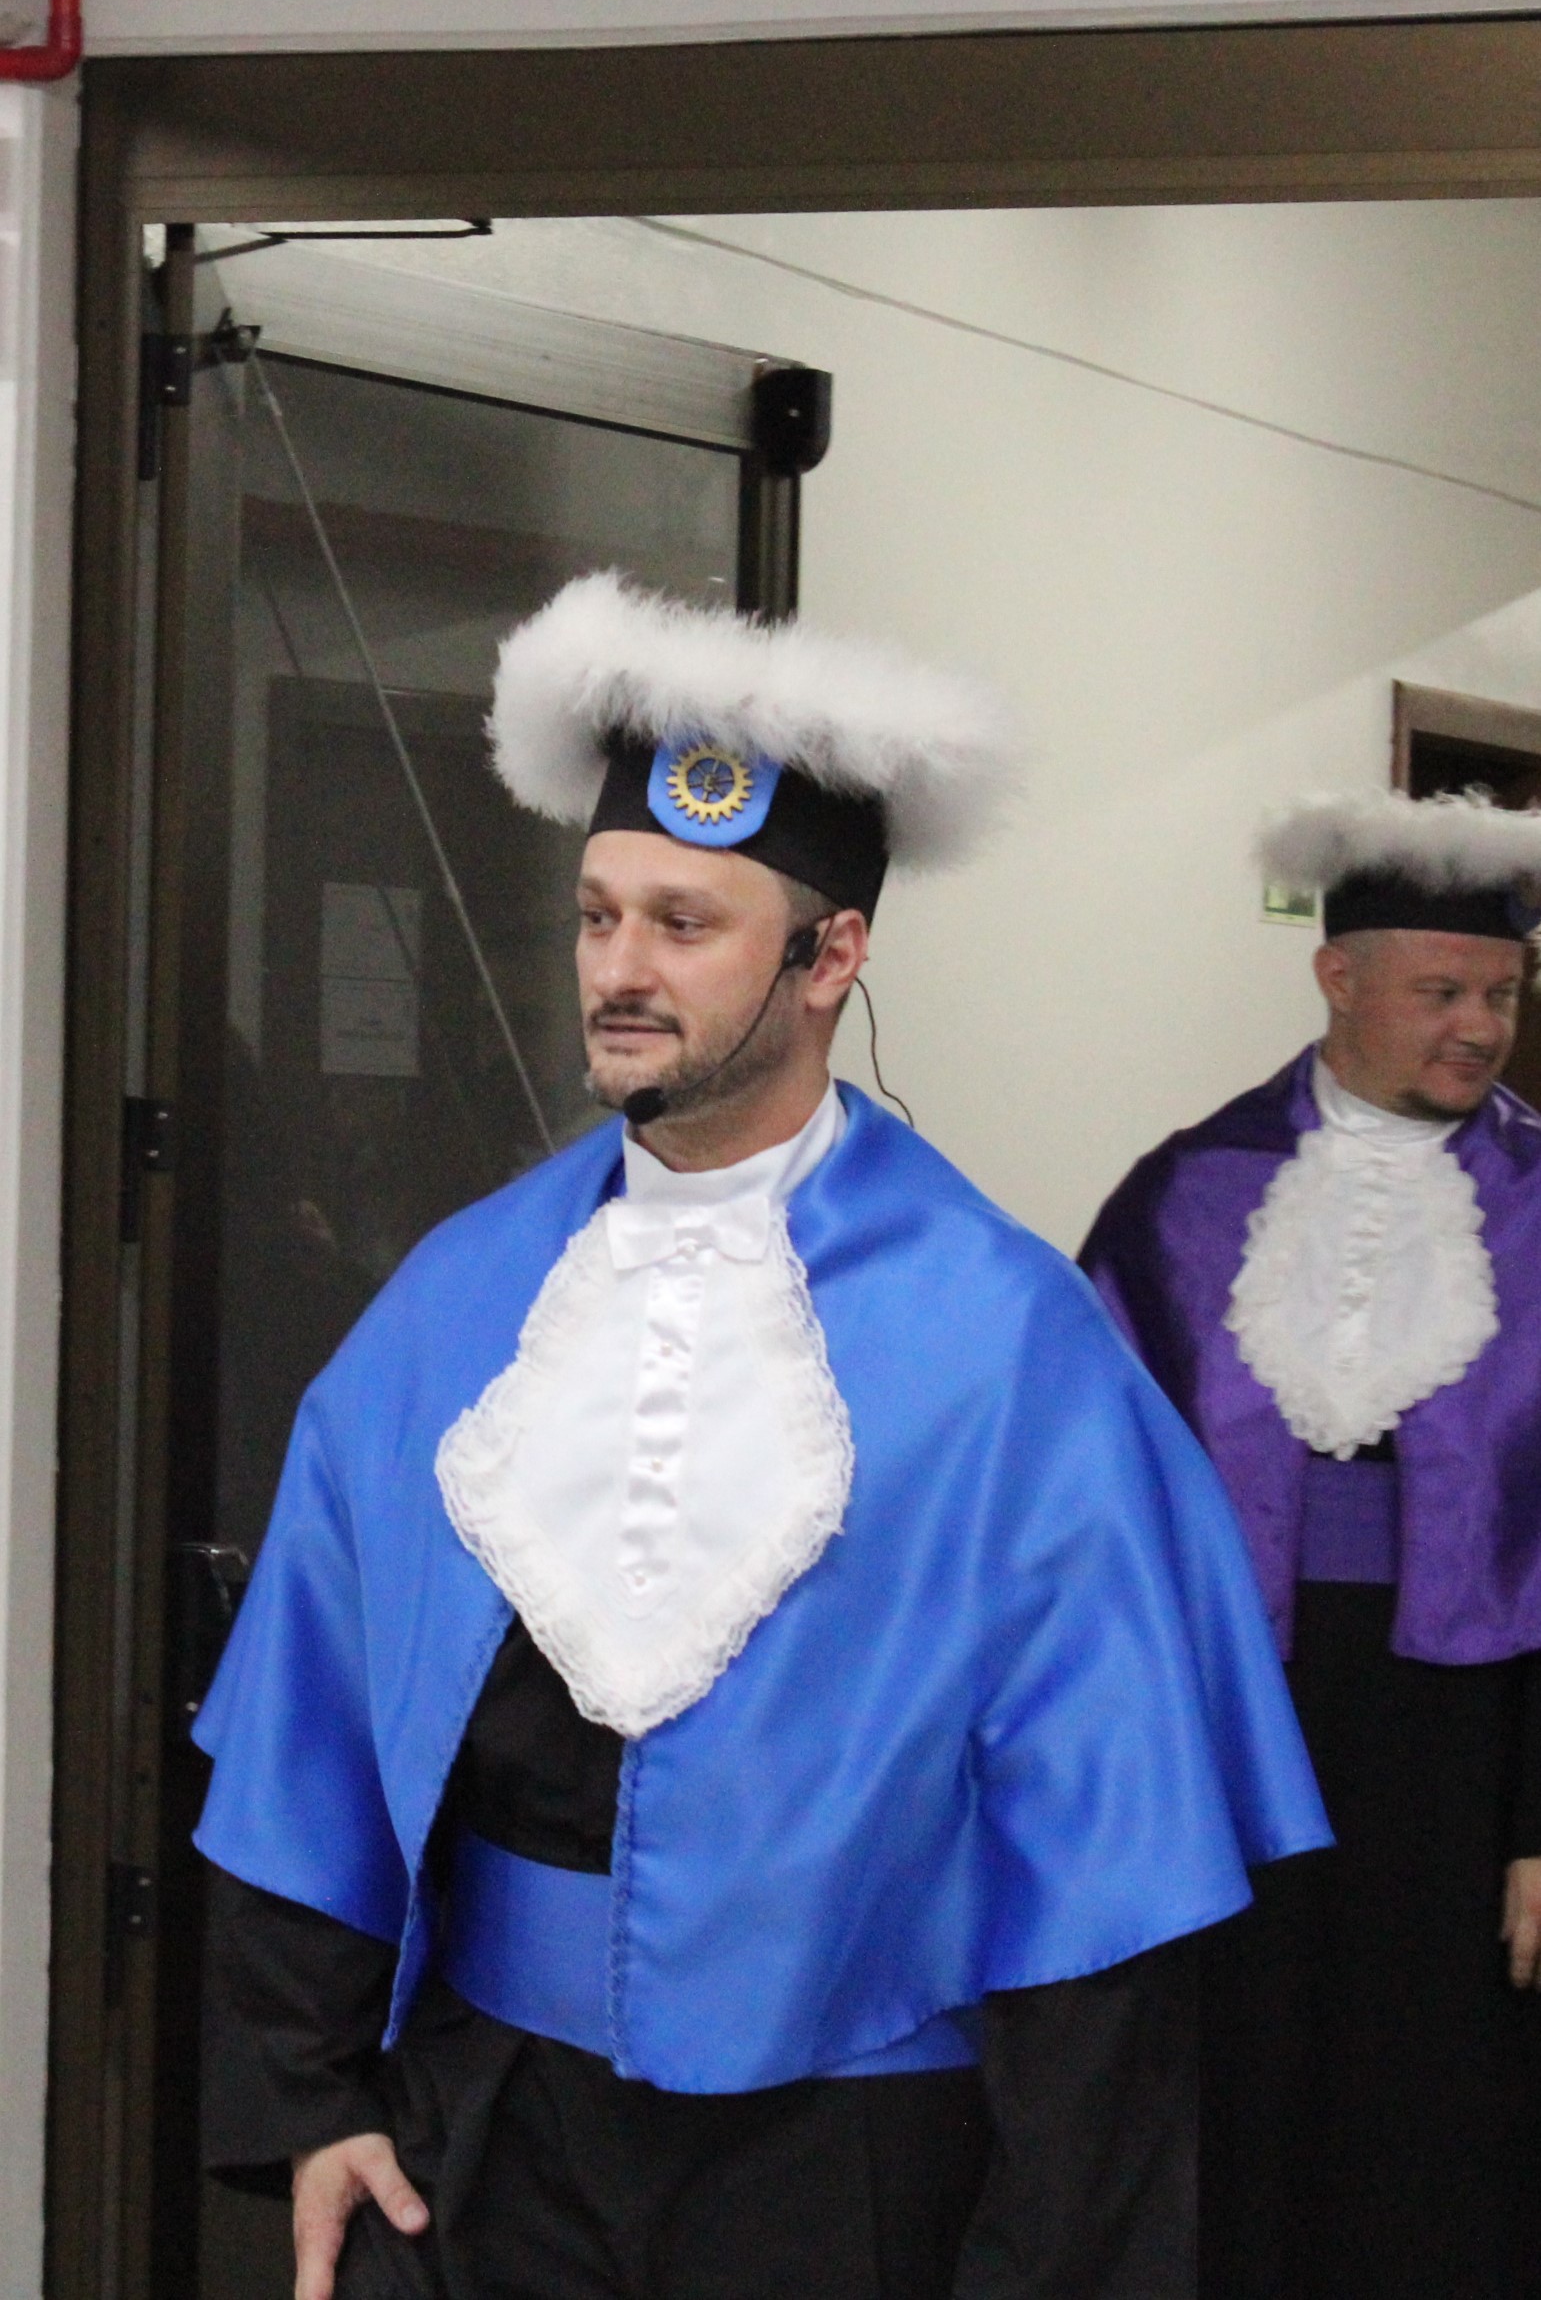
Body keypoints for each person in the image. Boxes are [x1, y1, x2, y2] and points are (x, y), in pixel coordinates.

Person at [194, 572, 1327, 2300]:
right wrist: (316, 2096)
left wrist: (1048, 2258)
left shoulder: (1007, 1345)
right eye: (597, 916)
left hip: (849, 2162)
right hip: (490, 2137)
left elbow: (1103, 1876)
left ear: (829, 958)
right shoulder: (457, 1298)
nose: (617, 971)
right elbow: (311, 1726)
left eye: (683, 924)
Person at [1080, 786, 1541, 2300]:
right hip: (1237, 1723)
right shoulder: (1183, 1193)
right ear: (1337, 978)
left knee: (1445, 2107)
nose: (1480, 1028)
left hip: (1475, 1738)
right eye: (1443, 992)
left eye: (1503, 994)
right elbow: (1093, 1522)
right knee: (1245, 2080)